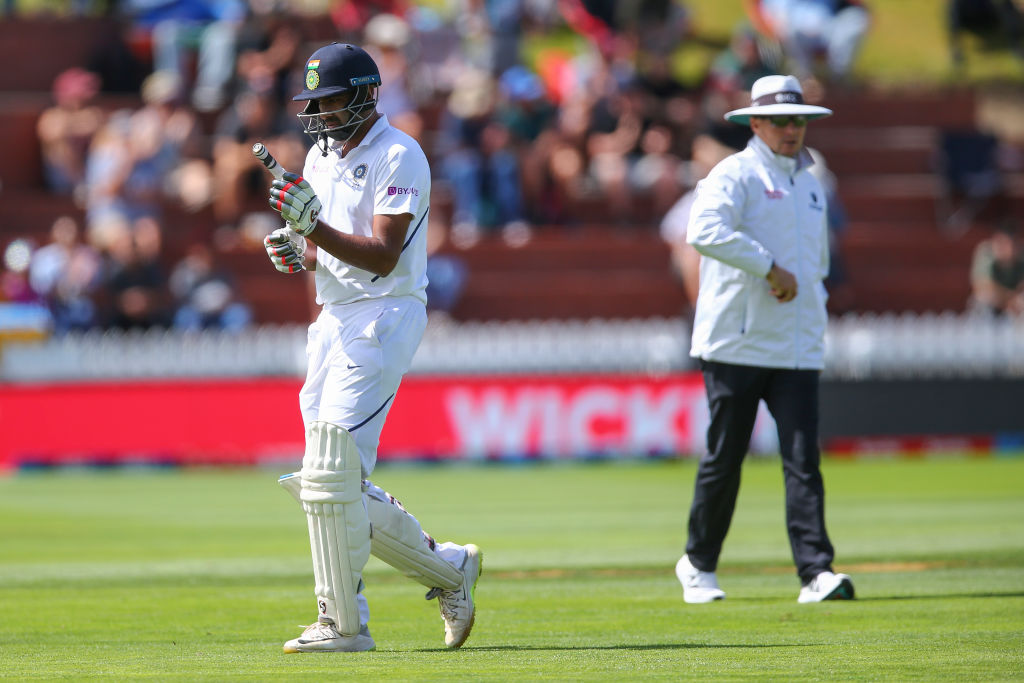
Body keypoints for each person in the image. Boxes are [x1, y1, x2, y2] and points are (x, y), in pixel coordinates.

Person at [260, 42, 482, 654]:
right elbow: (331, 247)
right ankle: (449, 569)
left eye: (330, 100)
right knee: (328, 480)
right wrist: (300, 252)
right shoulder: (320, 154)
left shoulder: (399, 154)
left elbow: (382, 256)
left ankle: (341, 624)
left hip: (385, 314)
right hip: (333, 317)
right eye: (313, 103)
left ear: (365, 94)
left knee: (331, 470)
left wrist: (314, 229)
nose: (318, 113)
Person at [675, 74, 854, 605]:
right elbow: (703, 232)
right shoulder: (734, 173)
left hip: (795, 345)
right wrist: (768, 268)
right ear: (755, 123)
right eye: (779, 121)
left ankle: (816, 572)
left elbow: (817, 267)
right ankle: (698, 564)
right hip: (736, 341)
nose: (791, 129)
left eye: (798, 120)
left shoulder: (812, 184)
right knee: (726, 458)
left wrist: (812, 318)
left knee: (803, 459)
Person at [968, 221, 1024, 316]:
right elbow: (981, 286)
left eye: (1008, 243)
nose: (1005, 248)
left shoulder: (1021, 254)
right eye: (1001, 243)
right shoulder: (986, 253)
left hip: (1016, 304)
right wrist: (1008, 299)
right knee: (982, 298)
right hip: (994, 304)